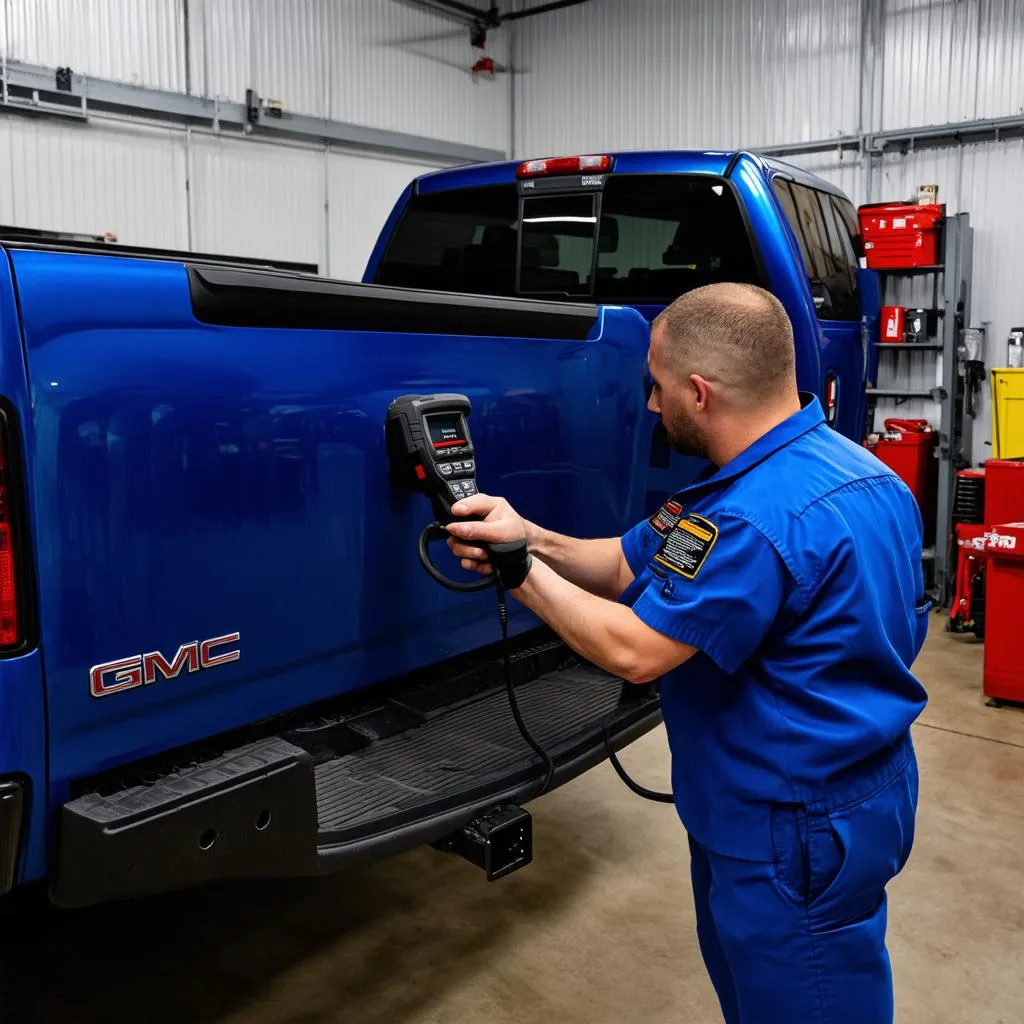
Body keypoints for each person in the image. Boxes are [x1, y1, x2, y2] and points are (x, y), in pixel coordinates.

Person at [445, 282, 930, 1024]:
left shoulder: (752, 522)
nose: (649, 404)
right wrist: (527, 535)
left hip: (790, 825)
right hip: (841, 797)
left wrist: (519, 575)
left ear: (699, 393)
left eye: (658, 385)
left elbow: (634, 651)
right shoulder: (851, 473)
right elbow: (620, 564)